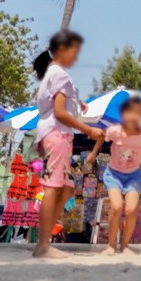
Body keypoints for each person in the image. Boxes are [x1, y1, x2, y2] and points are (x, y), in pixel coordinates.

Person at [31, 29, 104, 259]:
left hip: (51, 134)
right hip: (58, 134)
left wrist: (76, 101)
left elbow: (58, 105)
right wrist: (88, 130)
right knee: (53, 187)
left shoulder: (51, 76)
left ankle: (45, 240)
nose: (76, 58)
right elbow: (60, 113)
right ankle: (43, 245)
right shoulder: (60, 75)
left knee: (68, 187)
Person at [85, 95, 141, 254]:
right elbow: (102, 135)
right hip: (114, 174)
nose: (132, 116)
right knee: (116, 207)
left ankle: (124, 246)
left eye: (137, 113)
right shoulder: (116, 131)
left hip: (133, 175)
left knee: (131, 209)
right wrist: (93, 154)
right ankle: (111, 246)